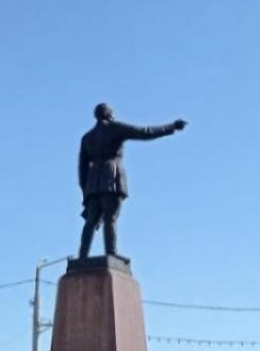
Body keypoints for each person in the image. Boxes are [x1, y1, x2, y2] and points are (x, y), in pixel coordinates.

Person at [77, 103, 186, 259]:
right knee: (110, 218)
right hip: (111, 177)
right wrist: (171, 127)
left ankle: (82, 256)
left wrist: (85, 192)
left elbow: (82, 170)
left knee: (90, 220)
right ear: (109, 115)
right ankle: (111, 253)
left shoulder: (87, 138)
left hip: (92, 183)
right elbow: (145, 132)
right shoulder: (115, 128)